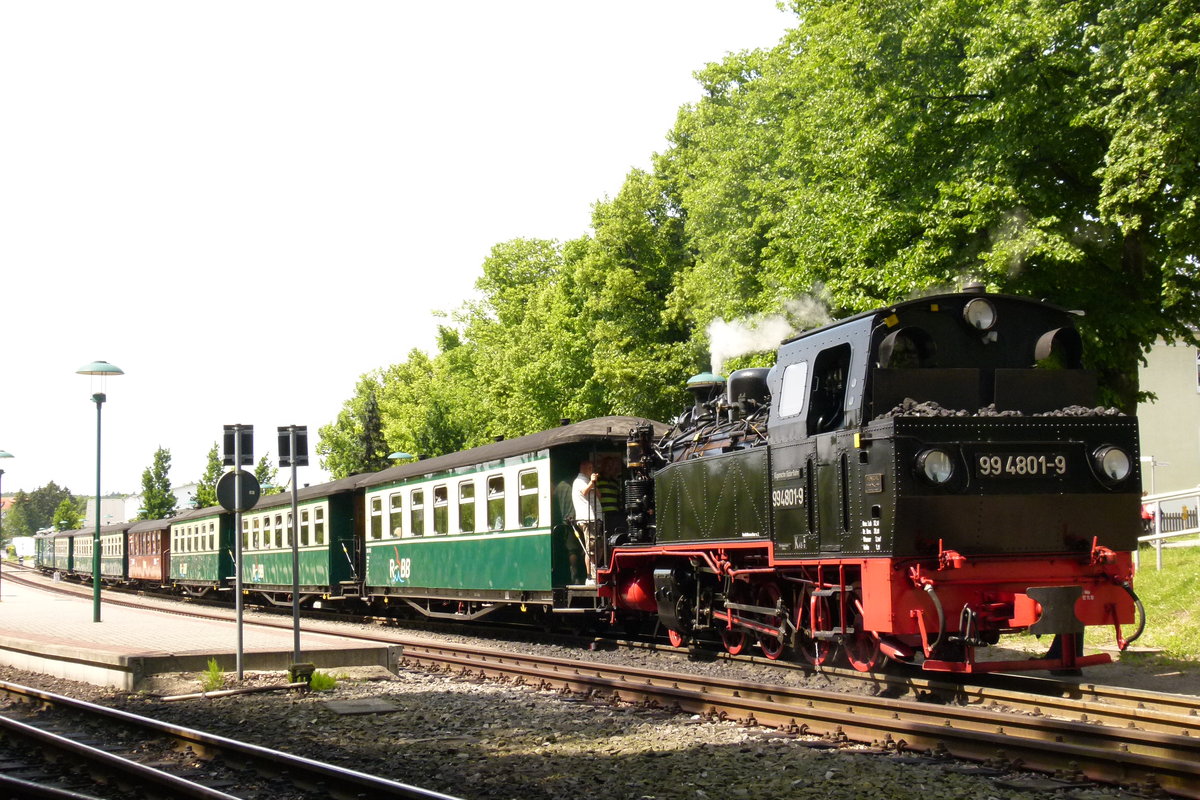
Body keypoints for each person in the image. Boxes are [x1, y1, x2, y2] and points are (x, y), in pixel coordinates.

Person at [572, 459, 601, 584]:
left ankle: (595, 572)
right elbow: (584, 492)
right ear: (583, 468)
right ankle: (590, 577)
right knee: (591, 549)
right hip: (587, 519)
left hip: (596, 518)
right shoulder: (579, 481)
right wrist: (592, 482)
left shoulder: (587, 481)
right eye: (590, 468)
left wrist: (594, 483)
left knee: (599, 547)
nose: (592, 470)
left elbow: (599, 496)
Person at [596, 454, 623, 536]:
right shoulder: (597, 480)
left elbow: (618, 498)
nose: (609, 468)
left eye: (611, 466)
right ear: (603, 466)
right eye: (607, 465)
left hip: (614, 513)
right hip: (603, 513)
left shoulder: (615, 482)